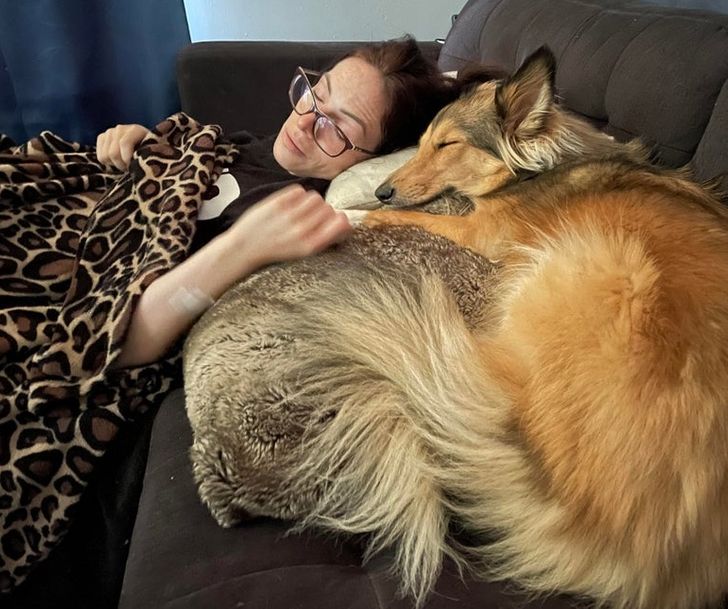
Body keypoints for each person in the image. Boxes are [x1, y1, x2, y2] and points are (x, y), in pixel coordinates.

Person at [96, 37, 459, 368]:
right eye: (316, 93)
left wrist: (242, 247)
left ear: (372, 159)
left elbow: (119, 343)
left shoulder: (290, 214)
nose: (303, 123)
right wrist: (148, 151)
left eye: (336, 128)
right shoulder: (252, 147)